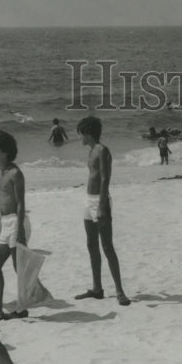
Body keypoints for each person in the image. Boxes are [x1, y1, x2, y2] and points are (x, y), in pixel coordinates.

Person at [75, 116, 130, 306]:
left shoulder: (102, 150)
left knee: (107, 246)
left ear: (88, 133)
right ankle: (97, 289)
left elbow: (106, 179)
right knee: (91, 245)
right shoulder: (90, 151)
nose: (80, 137)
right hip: (88, 200)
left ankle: (120, 291)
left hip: (101, 201)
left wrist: (100, 207)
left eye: (81, 133)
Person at [0, 130, 29, 321]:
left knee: (18, 268)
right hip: (4, 223)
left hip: (15, 221)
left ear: (4, 150)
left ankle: (21, 308)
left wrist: (20, 229)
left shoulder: (15, 173)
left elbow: (21, 203)